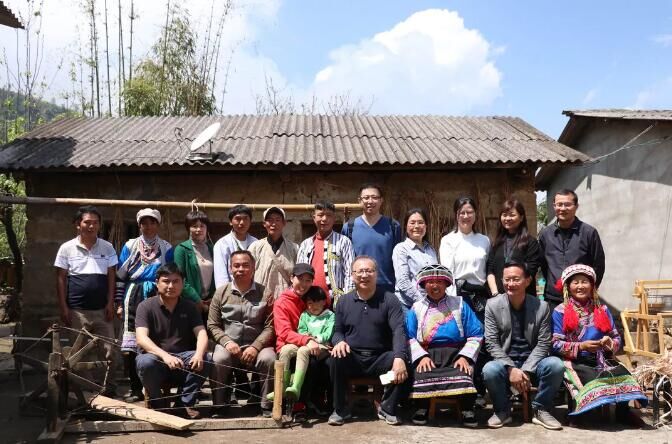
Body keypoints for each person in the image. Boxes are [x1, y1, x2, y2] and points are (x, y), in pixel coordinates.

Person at [552, 264, 647, 419]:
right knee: (593, 381)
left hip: (602, 359)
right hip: (576, 360)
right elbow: (556, 344)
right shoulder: (560, 311)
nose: (580, 286)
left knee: (625, 376)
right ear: (568, 287)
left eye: (585, 282)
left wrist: (610, 343)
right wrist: (581, 346)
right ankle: (581, 414)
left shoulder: (602, 309)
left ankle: (623, 413)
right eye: (575, 282)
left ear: (592, 286)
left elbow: (616, 337)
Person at [327, 256, 410, 426]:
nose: (364, 275)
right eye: (360, 271)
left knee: (403, 360)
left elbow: (398, 330)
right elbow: (337, 331)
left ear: (376, 274)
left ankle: (387, 408)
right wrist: (339, 342)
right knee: (335, 359)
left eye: (369, 271)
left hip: (380, 360)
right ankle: (340, 410)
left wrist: (399, 357)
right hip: (353, 358)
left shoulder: (390, 299)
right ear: (352, 275)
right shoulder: (343, 301)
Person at [482, 261, 564, 430]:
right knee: (489, 369)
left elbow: (543, 344)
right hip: (506, 364)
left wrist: (524, 370)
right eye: (507, 279)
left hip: (532, 365)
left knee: (556, 365)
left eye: (516, 279)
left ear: (527, 281)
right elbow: (491, 343)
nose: (510, 284)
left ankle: (540, 409)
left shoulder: (541, 307)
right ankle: (502, 410)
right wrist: (511, 369)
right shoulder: (492, 305)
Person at [406, 264, 483, 427]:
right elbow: (408, 337)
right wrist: (421, 357)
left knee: (464, 371)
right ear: (423, 285)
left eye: (440, 282)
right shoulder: (416, 308)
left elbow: (476, 333)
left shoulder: (460, 303)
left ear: (447, 284)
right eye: (430, 282)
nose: (435, 286)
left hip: (457, 353)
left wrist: (464, 357)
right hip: (427, 353)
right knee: (422, 372)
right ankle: (422, 408)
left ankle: (466, 408)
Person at [54, 205, 118, 395]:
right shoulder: (66, 248)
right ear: (77, 224)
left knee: (110, 350)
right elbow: (60, 279)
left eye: (95, 223)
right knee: (79, 353)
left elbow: (111, 277)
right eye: (87, 222)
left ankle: (108, 389)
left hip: (102, 310)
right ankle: (86, 392)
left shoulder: (107, 247)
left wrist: (110, 303)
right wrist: (64, 307)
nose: (91, 226)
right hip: (77, 311)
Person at [135, 263, 210, 419]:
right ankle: (158, 405)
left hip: (183, 361)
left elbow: (201, 333)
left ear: (182, 284)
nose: (171, 286)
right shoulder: (145, 306)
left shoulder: (189, 307)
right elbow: (141, 338)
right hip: (157, 361)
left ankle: (184, 404)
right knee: (145, 362)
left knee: (206, 358)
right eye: (166, 281)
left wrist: (198, 354)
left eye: (176, 281)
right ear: (157, 283)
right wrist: (165, 356)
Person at [207, 250, 275, 417]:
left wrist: (256, 347)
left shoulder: (265, 293)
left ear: (253, 268)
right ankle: (220, 405)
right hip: (229, 345)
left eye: (245, 265)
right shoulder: (221, 293)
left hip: (257, 346)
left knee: (269, 359)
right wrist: (227, 342)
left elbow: (270, 326)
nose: (240, 269)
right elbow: (213, 324)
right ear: (230, 268)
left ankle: (266, 405)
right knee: (218, 359)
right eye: (236, 265)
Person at [116, 208, 174, 402]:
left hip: (157, 296)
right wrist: (119, 303)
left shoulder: (166, 248)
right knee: (132, 345)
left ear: (158, 225)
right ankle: (135, 388)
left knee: (157, 340)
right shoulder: (130, 246)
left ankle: (157, 387)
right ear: (139, 225)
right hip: (132, 296)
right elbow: (120, 275)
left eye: (152, 223)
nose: (148, 227)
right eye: (144, 223)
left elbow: (170, 276)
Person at [539, 189, 605, 309]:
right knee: (555, 328)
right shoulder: (545, 234)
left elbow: (598, 265)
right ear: (554, 206)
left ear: (576, 206)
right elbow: (544, 265)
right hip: (553, 298)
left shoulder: (589, 233)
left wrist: (588, 290)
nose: (563, 208)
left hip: (582, 299)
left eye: (567, 204)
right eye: (559, 204)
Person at [341, 184, 402, 293]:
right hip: (358, 287)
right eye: (366, 197)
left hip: (387, 288)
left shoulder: (393, 226)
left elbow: (398, 259)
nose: (370, 201)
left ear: (381, 200)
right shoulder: (350, 227)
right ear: (360, 200)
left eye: (374, 197)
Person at [269, 263, 316, 400]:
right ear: (291, 278)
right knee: (288, 353)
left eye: (308, 280)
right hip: (289, 344)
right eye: (300, 279)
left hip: (310, 343)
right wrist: (307, 340)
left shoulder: (314, 297)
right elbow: (284, 333)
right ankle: (282, 390)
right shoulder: (282, 302)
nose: (304, 284)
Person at [439, 197, 491, 319]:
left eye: (470, 212)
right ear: (456, 215)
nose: (466, 216)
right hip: (459, 296)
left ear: (475, 214)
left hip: (481, 297)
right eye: (462, 212)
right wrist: (452, 303)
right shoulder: (448, 240)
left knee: (482, 334)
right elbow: (448, 273)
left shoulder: (484, 240)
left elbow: (488, 269)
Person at [297, 200, 354, 306]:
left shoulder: (343, 242)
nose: (324, 219)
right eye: (320, 215)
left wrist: (347, 301)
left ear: (334, 218)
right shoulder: (305, 244)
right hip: (309, 303)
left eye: (329, 215)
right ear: (314, 217)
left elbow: (350, 274)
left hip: (337, 303)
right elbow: (298, 275)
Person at [487, 199, 541, 297]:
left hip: (523, 298)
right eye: (504, 215)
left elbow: (531, 270)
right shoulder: (496, 243)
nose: (507, 218)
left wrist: (514, 293)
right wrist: (496, 294)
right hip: (499, 299)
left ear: (521, 218)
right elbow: (490, 270)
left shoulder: (530, 242)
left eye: (512, 215)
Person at [248, 207, 298, 300]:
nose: (274, 224)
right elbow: (248, 274)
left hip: (286, 301)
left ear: (284, 223)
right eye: (270, 220)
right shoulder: (255, 247)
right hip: (260, 300)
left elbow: (298, 277)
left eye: (278, 220)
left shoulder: (294, 248)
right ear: (264, 224)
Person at [392, 208, 438, 310]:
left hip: (431, 304)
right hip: (407, 305)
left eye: (420, 222)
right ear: (406, 226)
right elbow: (403, 282)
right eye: (412, 223)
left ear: (426, 226)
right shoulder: (401, 249)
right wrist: (422, 302)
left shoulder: (431, 250)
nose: (416, 226)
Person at [173, 210, 215, 315]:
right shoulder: (181, 249)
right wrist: (197, 300)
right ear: (188, 228)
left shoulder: (212, 248)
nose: (198, 229)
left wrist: (213, 298)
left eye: (202, 226)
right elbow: (180, 278)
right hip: (189, 303)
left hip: (211, 303)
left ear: (207, 228)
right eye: (194, 226)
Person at [213, 205, 258, 287]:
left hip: (253, 291)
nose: (242, 222)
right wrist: (225, 296)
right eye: (238, 219)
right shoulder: (222, 244)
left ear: (250, 221)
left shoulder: (256, 242)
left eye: (245, 218)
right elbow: (221, 275)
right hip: (232, 292)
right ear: (230, 222)